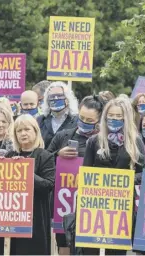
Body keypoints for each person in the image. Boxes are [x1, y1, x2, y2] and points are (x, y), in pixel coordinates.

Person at [82, 97, 145, 255]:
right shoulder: (93, 141)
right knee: (92, 250)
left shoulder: (135, 141)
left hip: (121, 206)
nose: (114, 119)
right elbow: (85, 172)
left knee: (116, 251)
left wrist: (127, 179)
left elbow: (144, 174)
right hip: (95, 204)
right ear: (105, 117)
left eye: (119, 116)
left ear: (126, 118)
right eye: (111, 115)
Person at [0, 114, 55, 255]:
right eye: (19, 131)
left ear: (35, 131)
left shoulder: (45, 156)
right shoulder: (10, 155)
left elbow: (48, 186)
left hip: (34, 223)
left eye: (27, 129)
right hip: (10, 221)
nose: (23, 133)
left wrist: (26, 172)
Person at [47, 95, 106, 255]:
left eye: (89, 120)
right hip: (64, 203)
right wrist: (57, 154)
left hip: (92, 203)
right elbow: (44, 162)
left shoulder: (104, 142)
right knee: (64, 245)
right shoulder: (63, 136)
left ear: (99, 120)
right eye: (81, 118)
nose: (84, 123)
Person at [37, 81, 78, 149]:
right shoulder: (40, 120)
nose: (56, 98)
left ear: (67, 99)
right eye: (52, 96)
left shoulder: (77, 121)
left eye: (59, 96)